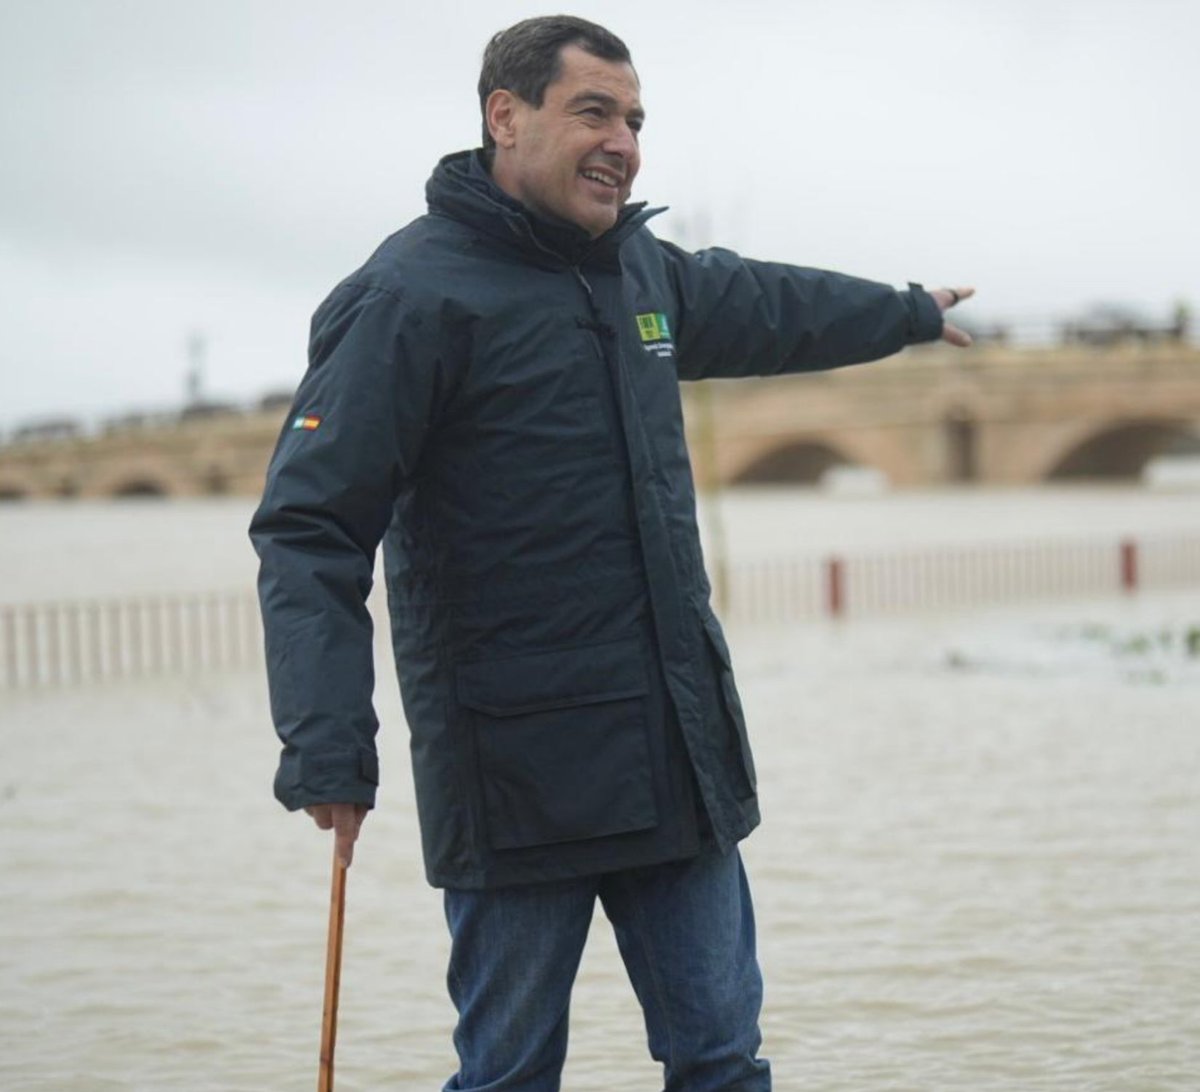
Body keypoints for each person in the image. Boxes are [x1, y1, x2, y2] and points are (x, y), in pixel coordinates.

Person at [250, 14, 973, 1091]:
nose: (624, 143)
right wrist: (327, 749)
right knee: (510, 1077)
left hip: (678, 757)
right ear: (506, 116)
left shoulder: (641, 273)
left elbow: (769, 305)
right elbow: (309, 530)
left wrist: (906, 311)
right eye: (595, 111)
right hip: (515, 780)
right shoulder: (409, 297)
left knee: (724, 1064)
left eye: (634, 120)